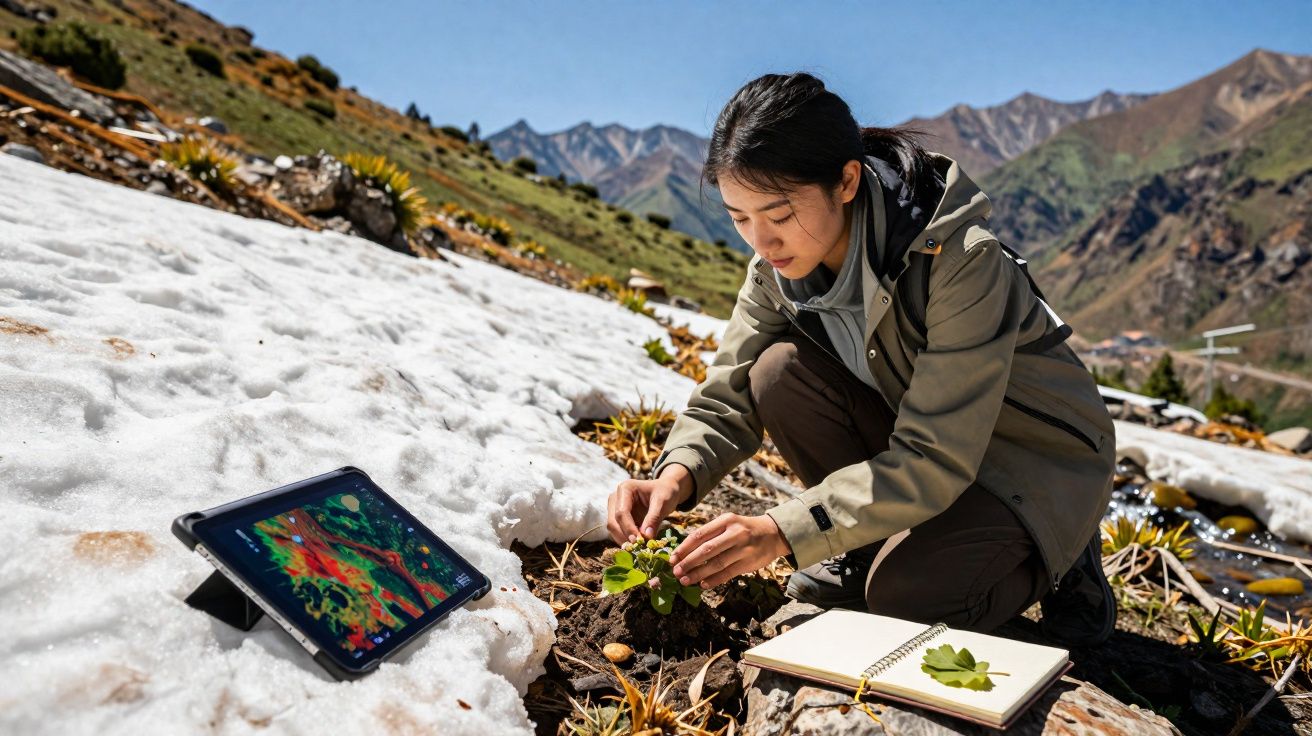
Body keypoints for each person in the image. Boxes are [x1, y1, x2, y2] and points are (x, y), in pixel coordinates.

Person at [606, 72, 1118, 645]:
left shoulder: (959, 261)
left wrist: (783, 532)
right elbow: (728, 393)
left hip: (1030, 463)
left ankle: (1064, 552)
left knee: (904, 600)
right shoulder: (776, 270)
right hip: (921, 440)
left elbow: (935, 457)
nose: (761, 242)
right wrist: (674, 477)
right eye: (738, 217)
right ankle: (869, 545)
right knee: (776, 371)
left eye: (778, 216)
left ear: (846, 181)